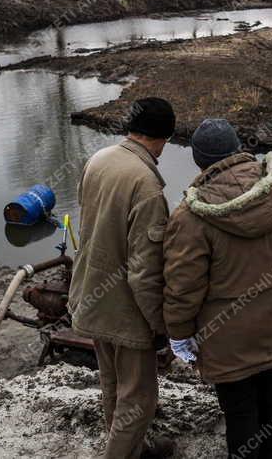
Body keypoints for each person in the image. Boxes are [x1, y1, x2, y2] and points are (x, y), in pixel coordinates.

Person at [163, 118, 272, 459]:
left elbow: (183, 287)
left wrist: (178, 333)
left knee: (240, 407)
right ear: (238, 148)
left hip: (227, 335)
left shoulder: (190, 216)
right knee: (270, 388)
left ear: (199, 161)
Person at [68, 97, 176, 459]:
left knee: (112, 384)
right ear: (163, 138)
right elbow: (144, 272)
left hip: (90, 295)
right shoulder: (146, 184)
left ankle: (135, 450)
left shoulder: (98, 160)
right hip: (125, 311)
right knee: (139, 399)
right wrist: (160, 325)